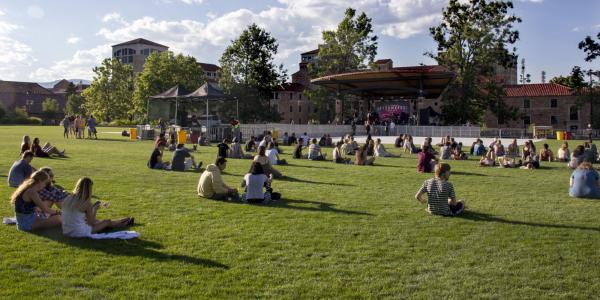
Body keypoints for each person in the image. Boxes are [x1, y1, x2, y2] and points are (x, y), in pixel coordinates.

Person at [62, 177, 133, 237]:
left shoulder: (68, 198)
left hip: (66, 230)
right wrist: (95, 209)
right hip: (79, 232)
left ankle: (121, 221)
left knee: (99, 221)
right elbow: (91, 223)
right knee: (106, 222)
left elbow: (77, 214)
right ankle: (122, 223)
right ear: (89, 189)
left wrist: (94, 208)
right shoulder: (87, 203)